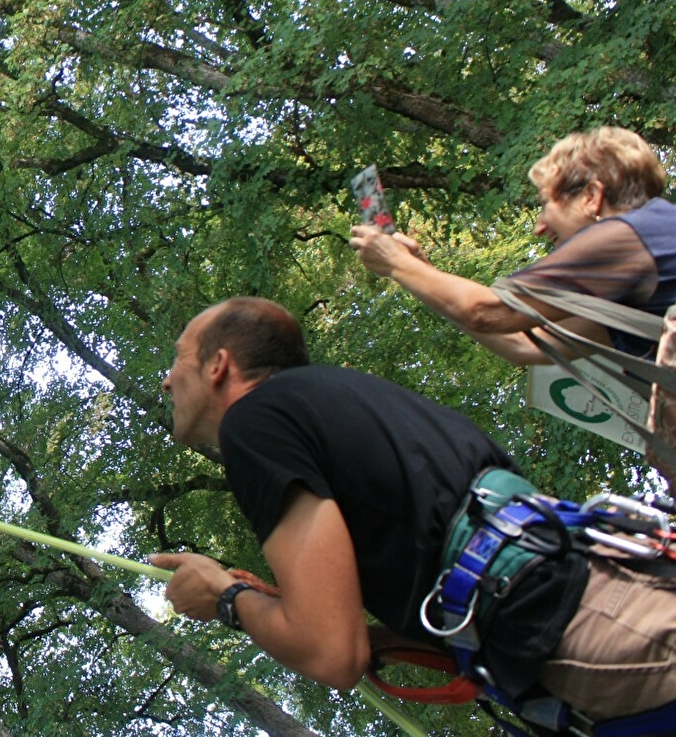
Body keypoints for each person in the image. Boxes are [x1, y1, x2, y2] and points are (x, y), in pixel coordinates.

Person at [151, 297, 676, 721]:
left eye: (178, 357)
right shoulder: (346, 402)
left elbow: (332, 654)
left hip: (593, 629)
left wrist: (225, 596)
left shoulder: (252, 424)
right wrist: (370, 635)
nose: (167, 380)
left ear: (218, 365)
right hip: (606, 595)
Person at [350, 126, 676, 362]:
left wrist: (397, 263)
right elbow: (524, 345)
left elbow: (486, 311)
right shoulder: (638, 263)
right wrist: (419, 270)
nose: (539, 227)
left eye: (546, 204)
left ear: (590, 197)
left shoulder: (629, 235)